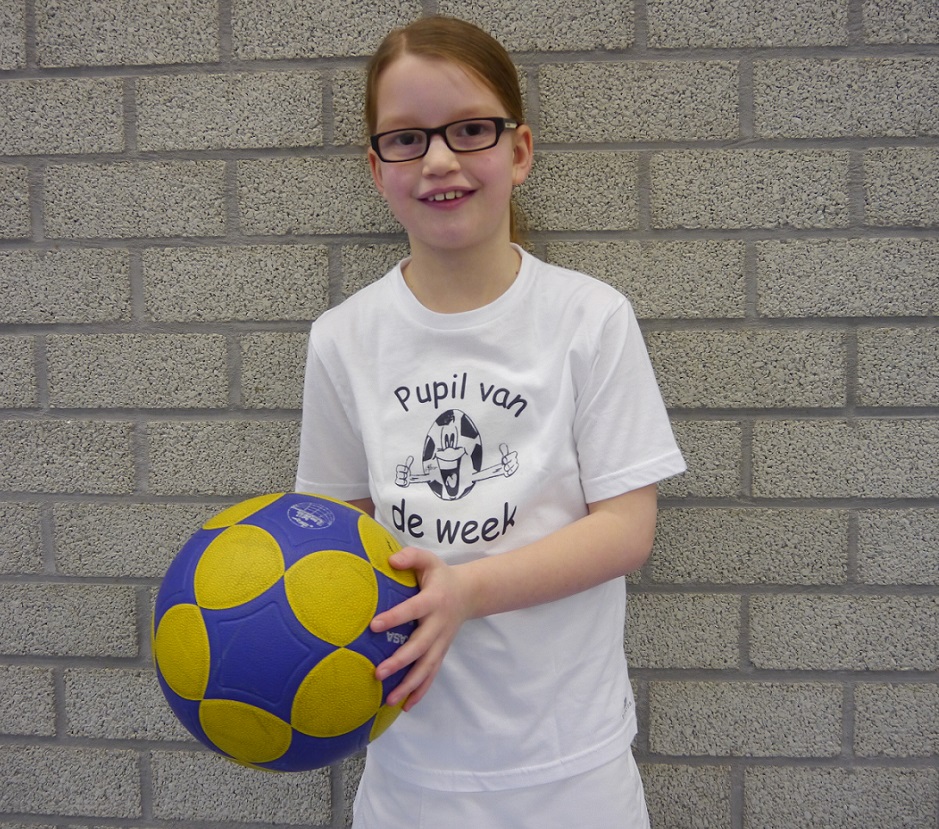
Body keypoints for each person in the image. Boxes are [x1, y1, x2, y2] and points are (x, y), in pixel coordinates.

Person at [295, 15, 686, 828]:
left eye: (469, 130)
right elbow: (336, 534)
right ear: (376, 168)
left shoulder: (588, 319)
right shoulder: (343, 338)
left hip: (571, 769)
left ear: (519, 151)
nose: (438, 159)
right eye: (406, 139)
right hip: (409, 771)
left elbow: (626, 530)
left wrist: (466, 590)